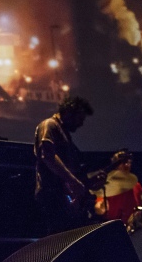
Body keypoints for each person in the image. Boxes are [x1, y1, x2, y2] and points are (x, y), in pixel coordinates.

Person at [33, 96, 101, 235]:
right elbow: (48, 156)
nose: (81, 123)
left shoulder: (64, 134)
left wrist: (90, 182)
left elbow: (70, 173)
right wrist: (74, 182)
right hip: (53, 197)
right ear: (69, 112)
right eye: (80, 118)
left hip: (62, 199)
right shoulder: (49, 125)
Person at [93, 149, 142, 228]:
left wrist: (136, 217)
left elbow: (139, 208)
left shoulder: (136, 185)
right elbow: (99, 208)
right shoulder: (107, 184)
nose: (126, 165)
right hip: (113, 228)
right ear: (115, 165)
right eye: (123, 162)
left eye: (128, 162)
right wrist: (100, 208)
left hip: (132, 228)